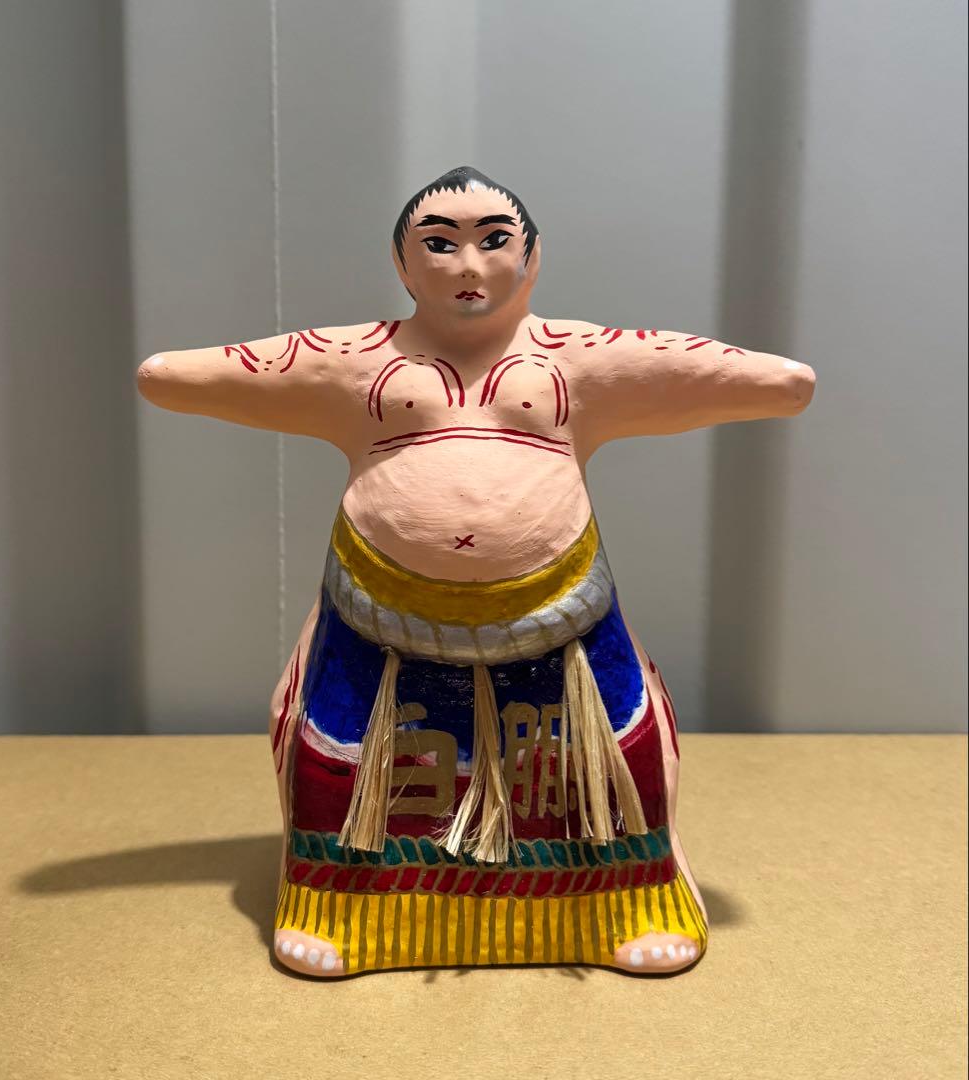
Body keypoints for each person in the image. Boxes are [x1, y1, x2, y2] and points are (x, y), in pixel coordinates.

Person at [137, 165, 815, 978]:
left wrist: (765, 378)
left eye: (494, 240)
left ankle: (620, 908)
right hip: (378, 614)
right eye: (439, 243)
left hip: (558, 615)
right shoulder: (353, 358)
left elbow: (776, 384)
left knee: (594, 763)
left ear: (533, 257)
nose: (468, 264)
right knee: (348, 760)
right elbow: (171, 376)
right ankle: (345, 914)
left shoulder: (578, 356)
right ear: (401, 262)